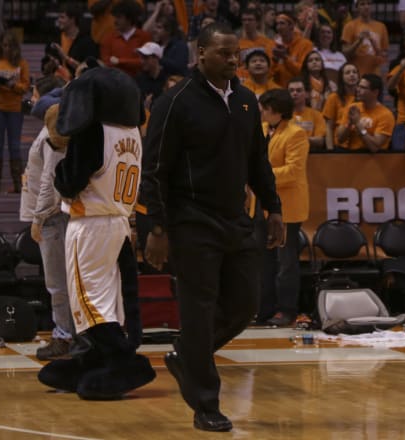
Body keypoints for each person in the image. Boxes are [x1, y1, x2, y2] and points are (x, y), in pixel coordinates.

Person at [140, 23, 284, 432]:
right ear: (201, 54)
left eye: (235, 53)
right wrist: (156, 228)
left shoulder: (244, 100)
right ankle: (206, 403)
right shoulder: (175, 102)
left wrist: (273, 207)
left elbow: (257, 159)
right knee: (198, 311)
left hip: (236, 218)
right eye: (224, 53)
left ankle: (188, 354)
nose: (233, 60)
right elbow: (153, 170)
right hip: (191, 221)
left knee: (245, 305)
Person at [38, 65, 155, 399]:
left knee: (88, 302)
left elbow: (70, 181)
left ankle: (121, 360)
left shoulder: (93, 132)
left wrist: (62, 163)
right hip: (118, 222)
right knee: (109, 299)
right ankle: (95, 357)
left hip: (89, 222)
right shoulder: (132, 132)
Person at [19, 104, 75, 360]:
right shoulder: (46, 134)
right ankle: (70, 333)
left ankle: (65, 336)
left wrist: (37, 218)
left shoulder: (51, 137)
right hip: (55, 217)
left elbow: (49, 182)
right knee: (60, 283)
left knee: (58, 283)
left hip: (53, 218)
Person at [257, 89, 309, 327]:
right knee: (265, 261)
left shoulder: (296, 133)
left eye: (265, 108)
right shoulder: (265, 131)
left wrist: (260, 177)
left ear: (276, 110)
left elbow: (293, 171)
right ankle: (264, 309)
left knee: (286, 262)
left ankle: (287, 310)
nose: (261, 112)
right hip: (264, 206)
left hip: (287, 207)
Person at [0, 31, 30, 194]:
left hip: (15, 108)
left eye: (10, 46)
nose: (7, 49)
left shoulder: (21, 63)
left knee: (15, 146)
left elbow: (25, 87)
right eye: (4, 45)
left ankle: (18, 182)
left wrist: (12, 85)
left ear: (15, 47)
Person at [336, 73, 395, 152]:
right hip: (351, 157)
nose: (358, 90)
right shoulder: (353, 108)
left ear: (375, 92)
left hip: (375, 160)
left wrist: (358, 124)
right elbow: (340, 139)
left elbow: (374, 147)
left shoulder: (386, 115)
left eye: (363, 87)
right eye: (358, 86)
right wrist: (350, 123)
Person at [99, 0, 152, 77]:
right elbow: (106, 63)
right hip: (115, 81)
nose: (115, 21)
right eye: (115, 17)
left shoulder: (144, 37)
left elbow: (145, 62)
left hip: (139, 81)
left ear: (130, 19)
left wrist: (119, 61)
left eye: (119, 17)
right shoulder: (108, 38)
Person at [341, 0, 389, 76]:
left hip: (375, 75)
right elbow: (345, 53)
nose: (366, 7)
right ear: (357, 7)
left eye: (369, 4)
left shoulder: (381, 27)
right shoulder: (349, 26)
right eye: (362, 4)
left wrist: (373, 43)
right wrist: (358, 41)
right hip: (356, 74)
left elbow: (384, 56)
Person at [271, 11, 313, 87]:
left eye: (282, 23)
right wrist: (275, 61)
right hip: (278, 88)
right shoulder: (273, 45)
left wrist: (285, 58)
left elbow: (303, 71)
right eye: (277, 24)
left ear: (291, 26)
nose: (279, 27)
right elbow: (270, 74)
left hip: (298, 89)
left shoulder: (306, 44)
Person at [322, 62, 359, 150]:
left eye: (354, 72)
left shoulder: (363, 97)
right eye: (348, 73)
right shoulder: (333, 97)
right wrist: (330, 150)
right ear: (341, 77)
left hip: (358, 145)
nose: (352, 75)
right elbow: (329, 127)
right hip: (339, 145)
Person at [287, 76, 327, 150]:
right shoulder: (282, 115)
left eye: (299, 90)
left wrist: (300, 139)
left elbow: (320, 141)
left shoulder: (316, 115)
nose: (295, 93)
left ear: (307, 94)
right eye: (291, 91)